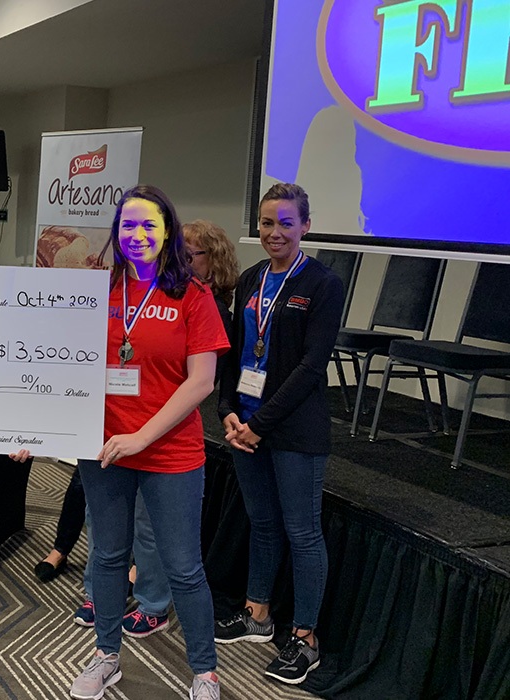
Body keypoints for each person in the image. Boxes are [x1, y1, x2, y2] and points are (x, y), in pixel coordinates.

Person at [15, 184, 229, 700]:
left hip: (170, 452)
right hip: (104, 449)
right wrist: (32, 427)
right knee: (108, 557)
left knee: (183, 566)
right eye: (128, 225)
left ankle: (205, 673)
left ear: (167, 232)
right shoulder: (97, 290)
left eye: (149, 224)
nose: (137, 234)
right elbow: (60, 364)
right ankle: (106, 656)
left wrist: (141, 437)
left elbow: (201, 382)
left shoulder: (193, 296)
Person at [215, 182, 344, 685]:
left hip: (293, 430)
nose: (275, 232)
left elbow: (312, 367)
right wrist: (227, 408)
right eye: (267, 223)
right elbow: (234, 350)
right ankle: (257, 614)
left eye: (286, 223)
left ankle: (306, 639)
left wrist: (258, 425)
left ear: (305, 226)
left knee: (303, 532)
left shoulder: (323, 284)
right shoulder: (251, 279)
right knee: (262, 523)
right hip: (244, 423)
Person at [111, 219, 243, 641]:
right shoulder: (125, 291)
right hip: (116, 425)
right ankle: (113, 594)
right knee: (114, 530)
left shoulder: (202, 302)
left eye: (190, 255)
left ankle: (154, 605)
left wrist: (145, 431)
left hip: (165, 437)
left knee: (157, 533)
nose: (179, 260)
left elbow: (202, 381)